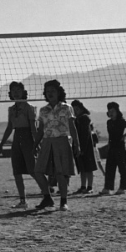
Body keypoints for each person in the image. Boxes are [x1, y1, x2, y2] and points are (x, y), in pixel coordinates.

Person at [34, 80, 80, 211]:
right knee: (38, 171)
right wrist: (35, 145)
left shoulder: (66, 107)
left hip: (62, 141)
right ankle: (47, 197)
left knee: (61, 173)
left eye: (52, 91)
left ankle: (63, 201)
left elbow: (72, 127)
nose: (50, 93)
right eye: (47, 92)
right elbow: (40, 130)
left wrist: (77, 144)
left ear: (59, 92)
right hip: (47, 142)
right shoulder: (43, 110)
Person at [0, 81, 45, 209]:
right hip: (16, 138)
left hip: (28, 138)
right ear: (11, 94)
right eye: (13, 90)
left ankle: (46, 194)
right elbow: (9, 127)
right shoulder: (12, 109)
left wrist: (37, 143)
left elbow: (33, 128)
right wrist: (1, 144)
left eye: (18, 90)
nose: (16, 92)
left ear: (23, 92)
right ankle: (23, 201)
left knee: (32, 169)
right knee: (17, 170)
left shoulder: (29, 107)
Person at [100, 102, 126, 195]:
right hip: (112, 147)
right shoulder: (109, 122)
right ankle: (107, 188)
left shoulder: (121, 121)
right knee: (109, 169)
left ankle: (122, 187)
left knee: (122, 168)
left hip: (120, 147)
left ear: (117, 111)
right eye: (109, 111)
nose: (111, 113)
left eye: (113, 111)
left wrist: (124, 135)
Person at [71, 100, 97, 194]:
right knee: (82, 168)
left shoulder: (84, 117)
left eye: (77, 109)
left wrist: (82, 148)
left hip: (86, 146)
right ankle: (83, 187)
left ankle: (89, 187)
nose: (76, 111)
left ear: (81, 108)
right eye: (74, 109)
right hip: (79, 145)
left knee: (88, 168)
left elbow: (85, 135)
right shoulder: (76, 118)